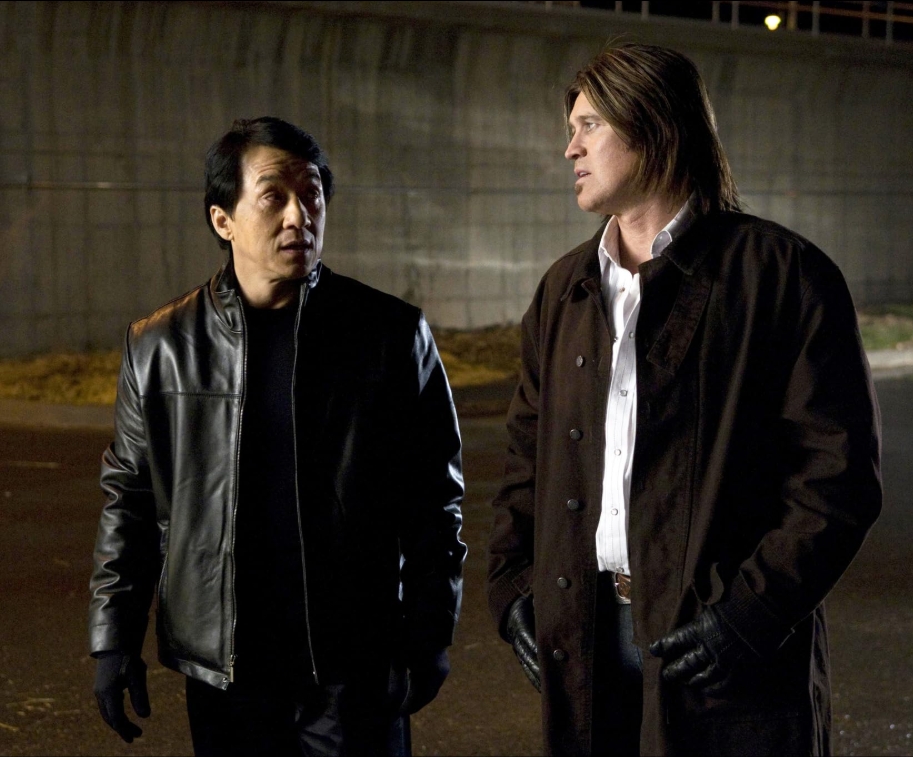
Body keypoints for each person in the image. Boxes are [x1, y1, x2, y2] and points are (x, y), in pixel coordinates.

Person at [487, 44, 882, 756]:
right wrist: (514, 588)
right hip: (585, 637)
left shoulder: (782, 276)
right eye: (571, 129)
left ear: (653, 125)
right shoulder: (564, 288)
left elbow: (836, 478)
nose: (569, 148)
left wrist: (749, 616)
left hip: (724, 650)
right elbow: (525, 459)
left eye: (588, 125)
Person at [89, 116, 467, 756]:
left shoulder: (389, 335)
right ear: (223, 220)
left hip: (354, 664)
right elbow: (130, 500)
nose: (299, 216)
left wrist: (429, 634)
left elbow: (435, 499)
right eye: (274, 197)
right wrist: (113, 640)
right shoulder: (160, 348)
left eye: (312, 195)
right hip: (225, 670)